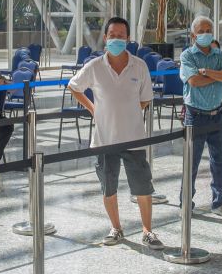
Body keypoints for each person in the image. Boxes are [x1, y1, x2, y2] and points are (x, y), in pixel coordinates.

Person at [68, 17, 165, 249]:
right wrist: (93, 109)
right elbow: (74, 86)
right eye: (113, 35)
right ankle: (116, 228)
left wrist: (126, 113)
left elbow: (145, 100)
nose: (117, 39)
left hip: (134, 137)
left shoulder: (139, 66)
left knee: (142, 186)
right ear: (105, 38)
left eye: (121, 35)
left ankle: (147, 230)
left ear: (128, 38)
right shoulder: (95, 66)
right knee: (108, 186)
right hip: (104, 139)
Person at [179, 16, 222, 216]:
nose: (205, 34)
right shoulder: (187, 56)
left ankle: (219, 203)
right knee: (191, 163)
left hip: (217, 114)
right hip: (195, 116)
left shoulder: (219, 55)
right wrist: (214, 76)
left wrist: (207, 72)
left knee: (220, 161)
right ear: (193, 35)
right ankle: (185, 204)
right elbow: (194, 81)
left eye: (209, 30)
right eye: (201, 31)